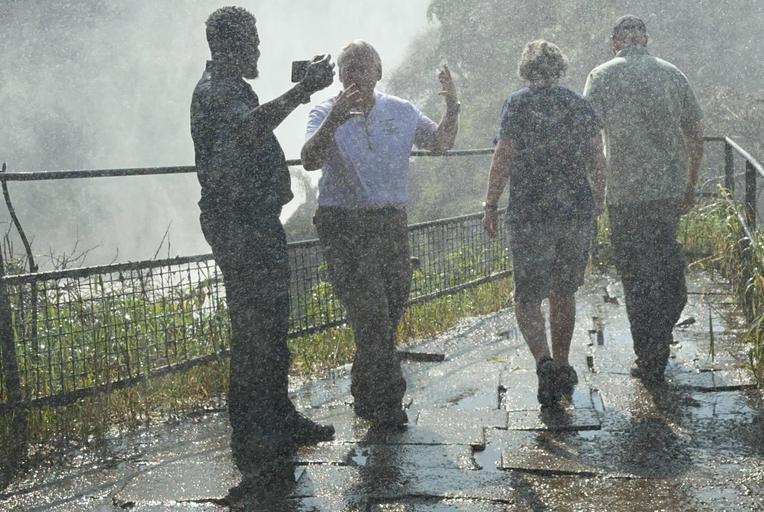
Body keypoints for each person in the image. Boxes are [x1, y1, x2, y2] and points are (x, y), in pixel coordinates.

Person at [189, 6, 337, 475]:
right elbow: (247, 128)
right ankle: (253, 434)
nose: (258, 48)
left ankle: (278, 418)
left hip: (251, 220)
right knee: (256, 328)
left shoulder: (228, 89)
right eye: (251, 40)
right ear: (229, 45)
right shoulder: (216, 91)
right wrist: (302, 91)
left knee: (270, 324)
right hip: (240, 223)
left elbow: (247, 128)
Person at [301, 40, 459, 428]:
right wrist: (335, 120)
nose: (354, 74)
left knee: (388, 309)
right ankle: (388, 402)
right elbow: (308, 159)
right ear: (338, 76)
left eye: (362, 66)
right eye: (346, 68)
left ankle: (364, 391)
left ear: (378, 71)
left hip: (390, 222)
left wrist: (452, 107)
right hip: (344, 226)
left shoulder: (400, 111)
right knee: (371, 312)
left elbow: (438, 144)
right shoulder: (324, 112)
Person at [483, 40, 606, 408]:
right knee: (564, 291)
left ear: (526, 70)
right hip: (573, 212)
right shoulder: (578, 105)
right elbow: (596, 157)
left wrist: (490, 203)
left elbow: (504, 155)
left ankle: (544, 363)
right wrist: (597, 200)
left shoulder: (518, 103)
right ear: (560, 67)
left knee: (527, 296)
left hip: (530, 213)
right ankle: (564, 363)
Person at [584, 15, 704, 384]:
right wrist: (690, 183)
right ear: (646, 40)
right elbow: (696, 134)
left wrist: (599, 188)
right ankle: (663, 328)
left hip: (624, 193)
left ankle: (649, 355)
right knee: (666, 263)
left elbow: (590, 138)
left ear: (614, 42)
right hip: (666, 190)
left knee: (636, 275)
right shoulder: (672, 73)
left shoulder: (601, 76)